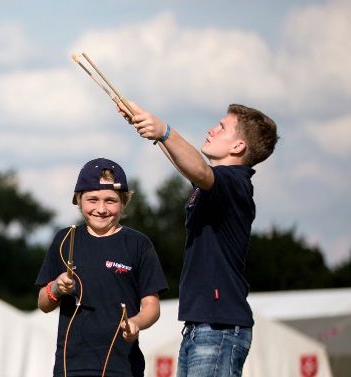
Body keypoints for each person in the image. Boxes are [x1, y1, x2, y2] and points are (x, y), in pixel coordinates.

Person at [118, 101, 279, 377]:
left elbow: (201, 171)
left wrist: (164, 131)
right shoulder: (217, 186)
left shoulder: (235, 182)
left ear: (238, 146)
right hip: (202, 327)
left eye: (222, 127)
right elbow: (191, 169)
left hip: (218, 328)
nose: (211, 130)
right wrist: (148, 127)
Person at [36, 158, 168, 377]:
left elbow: (152, 306)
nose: (101, 209)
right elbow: (43, 303)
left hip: (123, 368)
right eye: (92, 200)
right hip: (71, 368)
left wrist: (135, 323)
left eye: (110, 201)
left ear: (123, 201)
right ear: (79, 200)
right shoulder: (64, 240)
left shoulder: (138, 244)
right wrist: (56, 288)